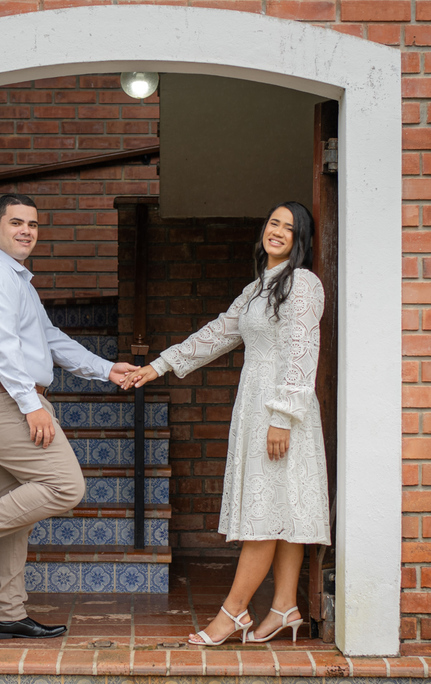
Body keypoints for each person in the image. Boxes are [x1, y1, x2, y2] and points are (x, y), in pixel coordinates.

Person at [124, 201, 329, 646]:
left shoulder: (303, 284)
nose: (278, 231)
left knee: (265, 510)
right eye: (273, 222)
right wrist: (159, 366)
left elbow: (302, 351)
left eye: (289, 228)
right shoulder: (257, 288)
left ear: (301, 240)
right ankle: (285, 607)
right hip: (256, 405)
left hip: (280, 409)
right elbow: (218, 333)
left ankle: (233, 613)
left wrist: (283, 416)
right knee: (279, 508)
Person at [0, 193, 134, 640]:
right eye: (16, 222)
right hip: (2, 402)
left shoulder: (17, 280)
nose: (26, 231)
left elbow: (50, 338)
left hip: (4, 400)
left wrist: (105, 369)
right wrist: (31, 406)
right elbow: (3, 346)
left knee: (15, 507)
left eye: (32, 224)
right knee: (65, 485)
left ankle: (8, 613)